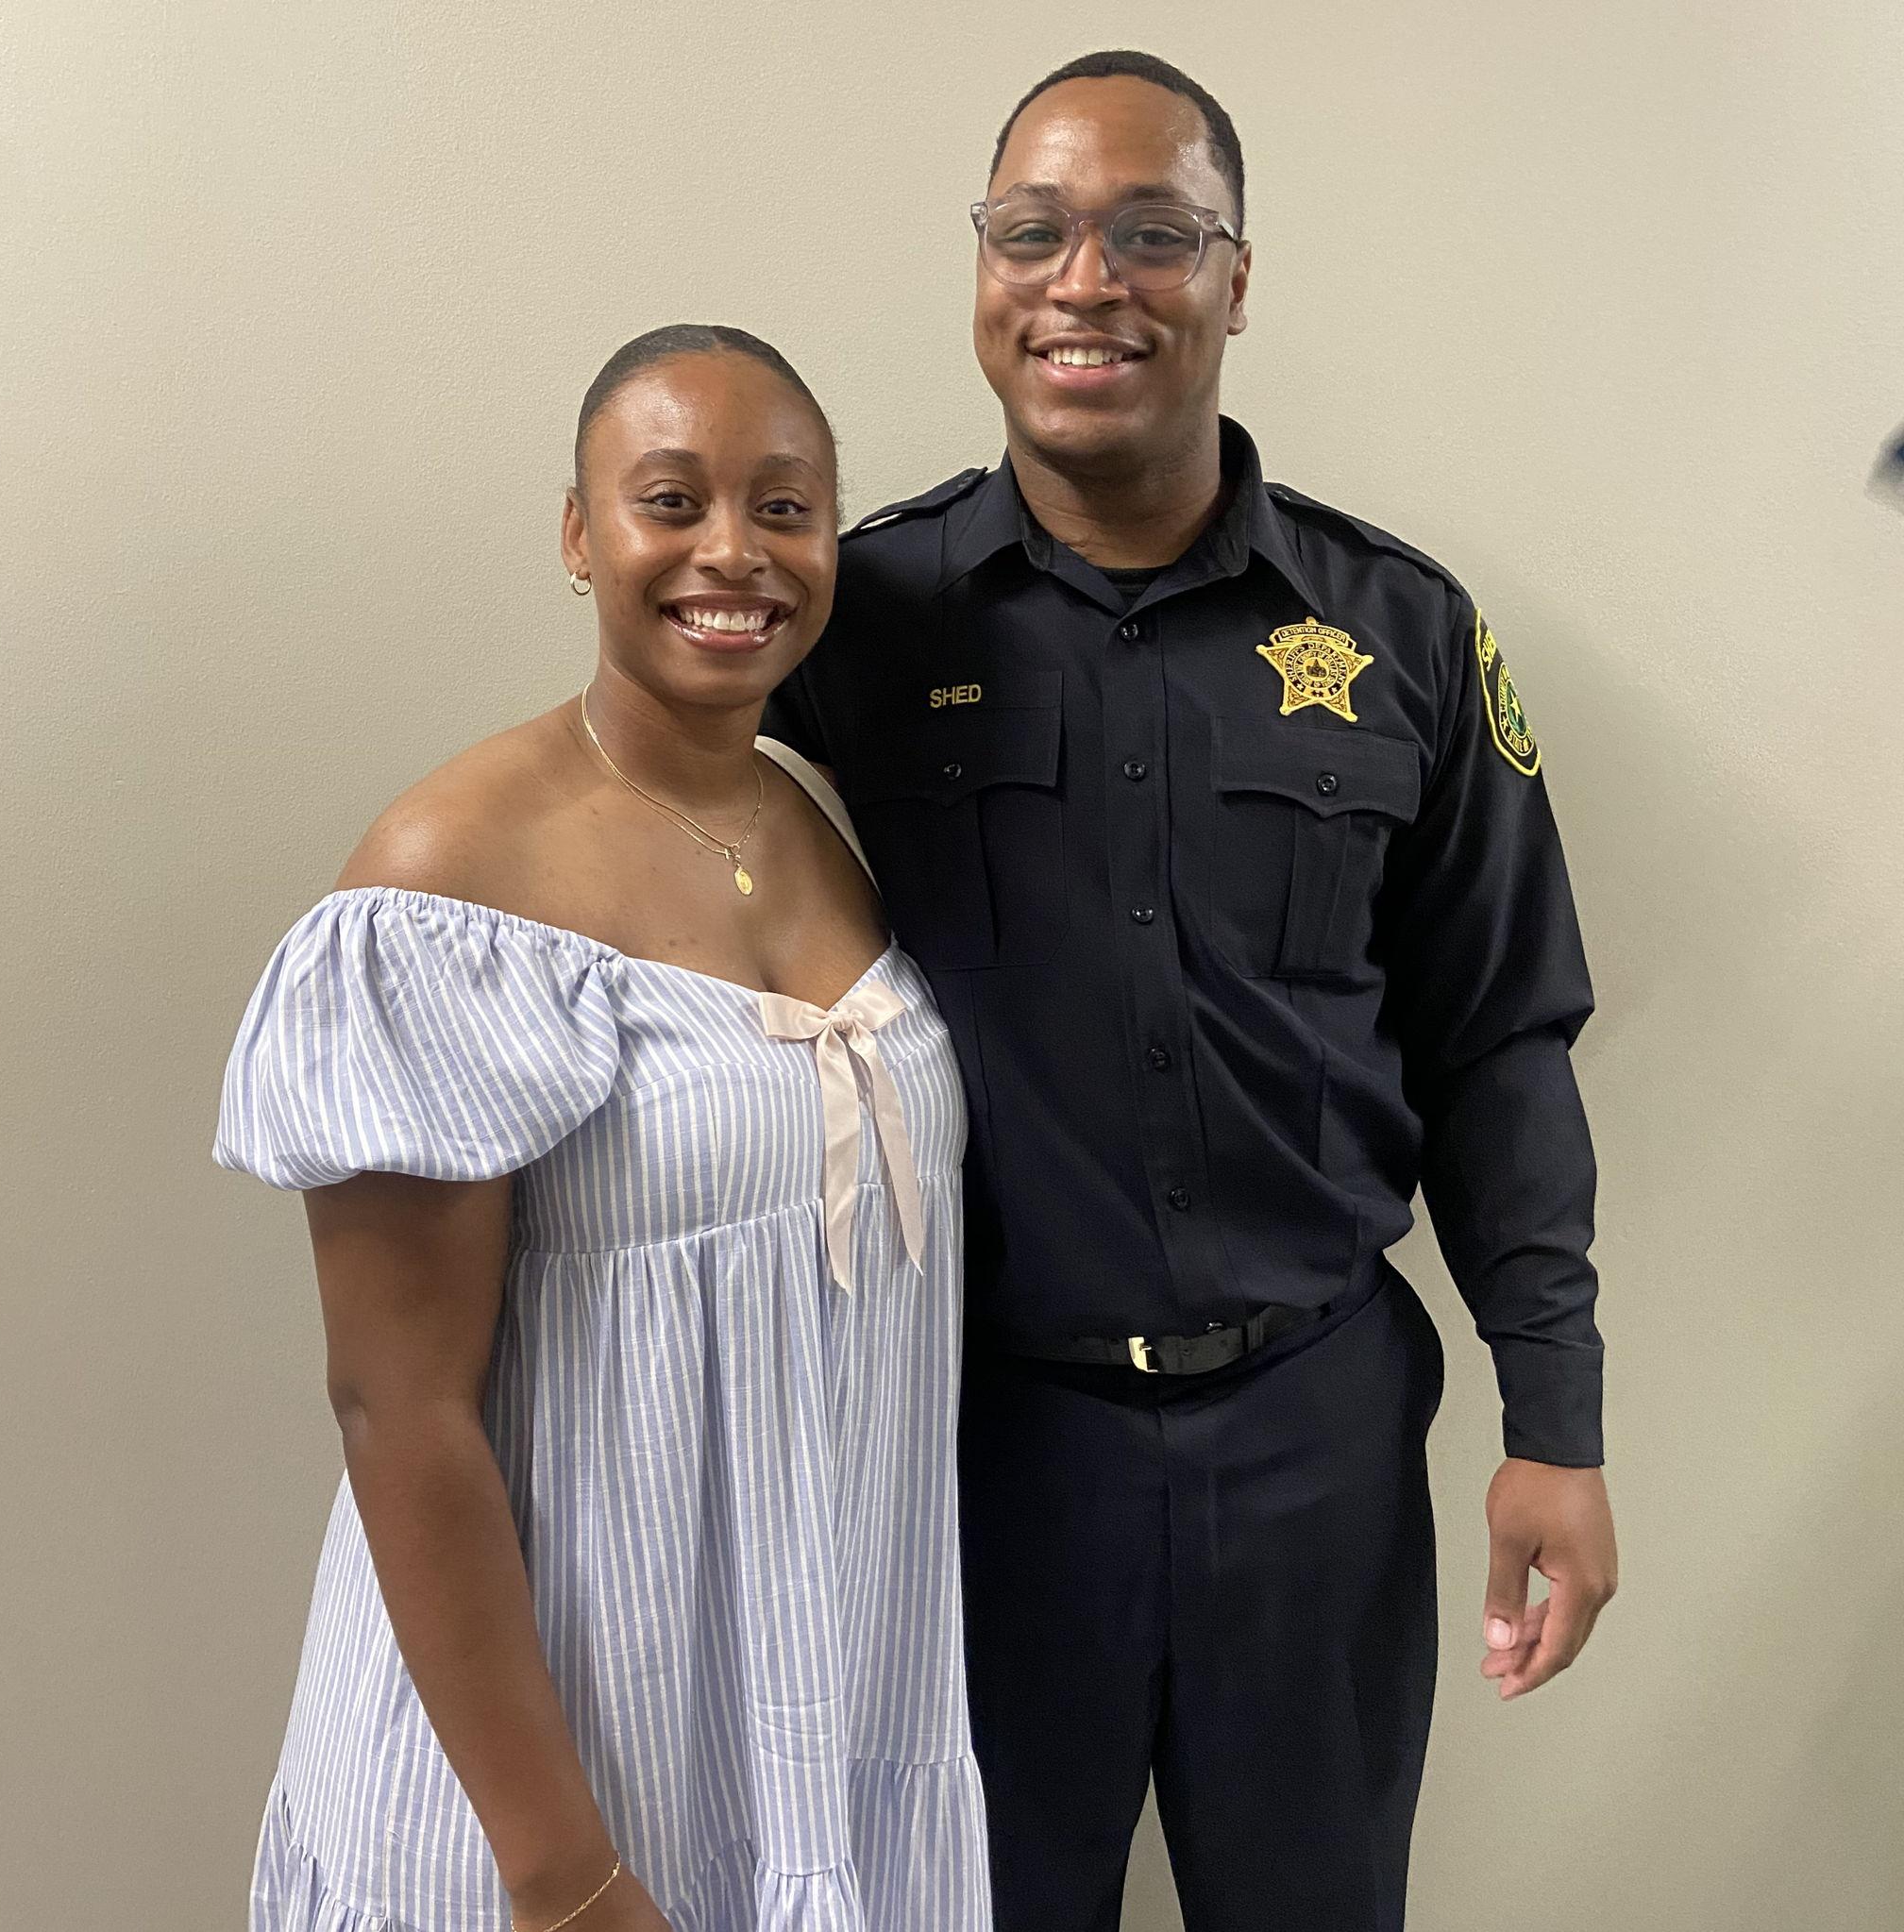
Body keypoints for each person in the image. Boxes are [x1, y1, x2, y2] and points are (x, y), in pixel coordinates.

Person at [763, 50, 1619, 1932]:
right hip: (975, 1457)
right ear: (981, 271)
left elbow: (1498, 1044)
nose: (1088, 281)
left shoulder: (1399, 632)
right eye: (1034, 231)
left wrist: (1552, 1419)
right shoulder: (857, 620)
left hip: (1313, 1443)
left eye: (1155, 233)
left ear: (1237, 279)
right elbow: (660, 840)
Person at [215, 325, 992, 1932]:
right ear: (581, 535)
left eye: (785, 507)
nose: (734, 551)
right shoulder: (447, 881)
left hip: (807, 1714)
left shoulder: (819, 820)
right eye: (672, 500)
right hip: (556, 1772)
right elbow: (397, 1408)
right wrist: (564, 1879)